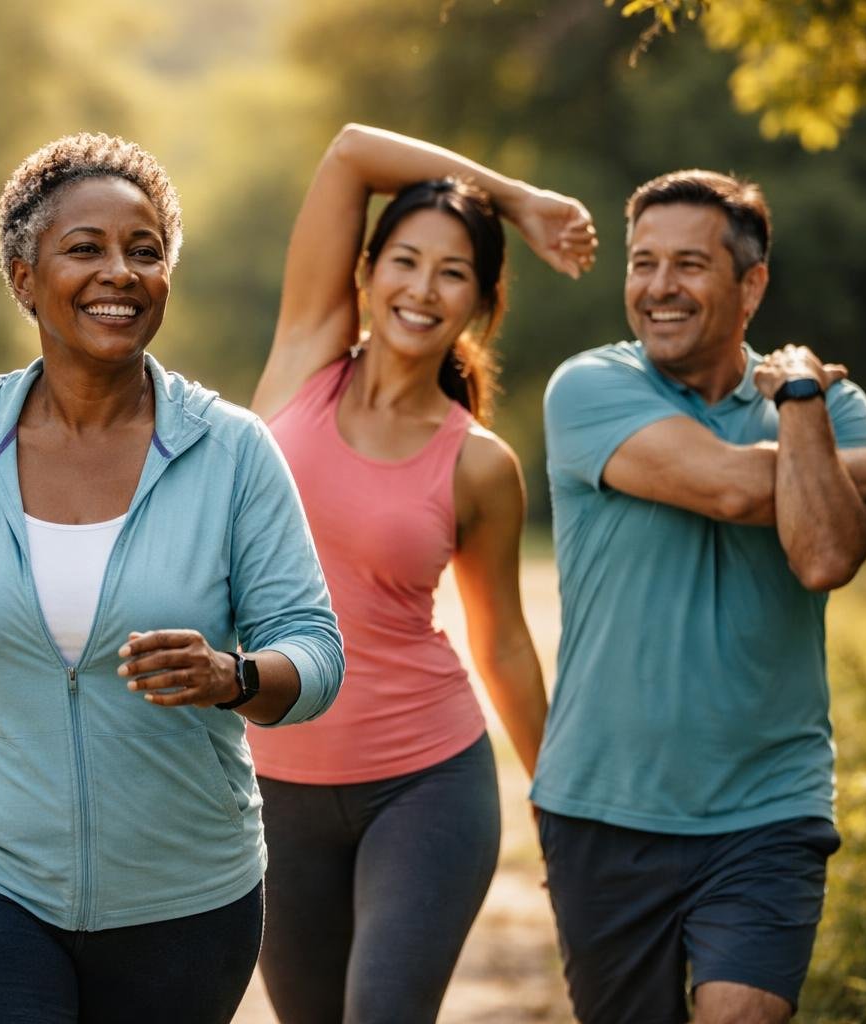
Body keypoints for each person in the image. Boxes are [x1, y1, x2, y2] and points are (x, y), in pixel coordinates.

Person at [0, 132, 345, 1024]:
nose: (119, 272)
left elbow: (315, 652)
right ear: (23, 277)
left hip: (183, 889)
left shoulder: (233, 452)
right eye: (85, 248)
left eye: (145, 250)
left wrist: (233, 677)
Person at [245, 125, 597, 1023]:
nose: (422, 287)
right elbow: (352, 151)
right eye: (405, 260)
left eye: (454, 273)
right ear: (365, 274)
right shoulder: (303, 364)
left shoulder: (478, 464)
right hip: (272, 782)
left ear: (478, 306)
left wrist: (560, 809)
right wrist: (515, 199)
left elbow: (504, 641)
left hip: (426, 781)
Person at [534, 169, 866, 1024]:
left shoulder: (831, 403)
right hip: (605, 804)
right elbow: (731, 490)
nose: (659, 288)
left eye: (690, 264)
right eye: (642, 262)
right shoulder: (589, 387)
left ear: (752, 284)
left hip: (768, 804)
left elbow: (821, 556)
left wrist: (803, 399)